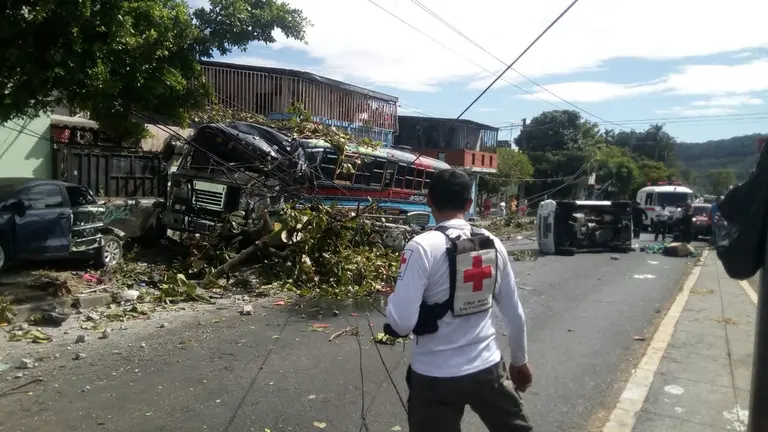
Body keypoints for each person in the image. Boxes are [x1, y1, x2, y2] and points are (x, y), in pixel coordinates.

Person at [385, 169, 533, 432]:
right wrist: (519, 361)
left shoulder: (420, 247)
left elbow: (402, 324)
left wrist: (392, 300)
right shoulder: (493, 244)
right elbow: (514, 312)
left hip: (433, 377)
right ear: (469, 203)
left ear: (429, 200)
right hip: (487, 370)